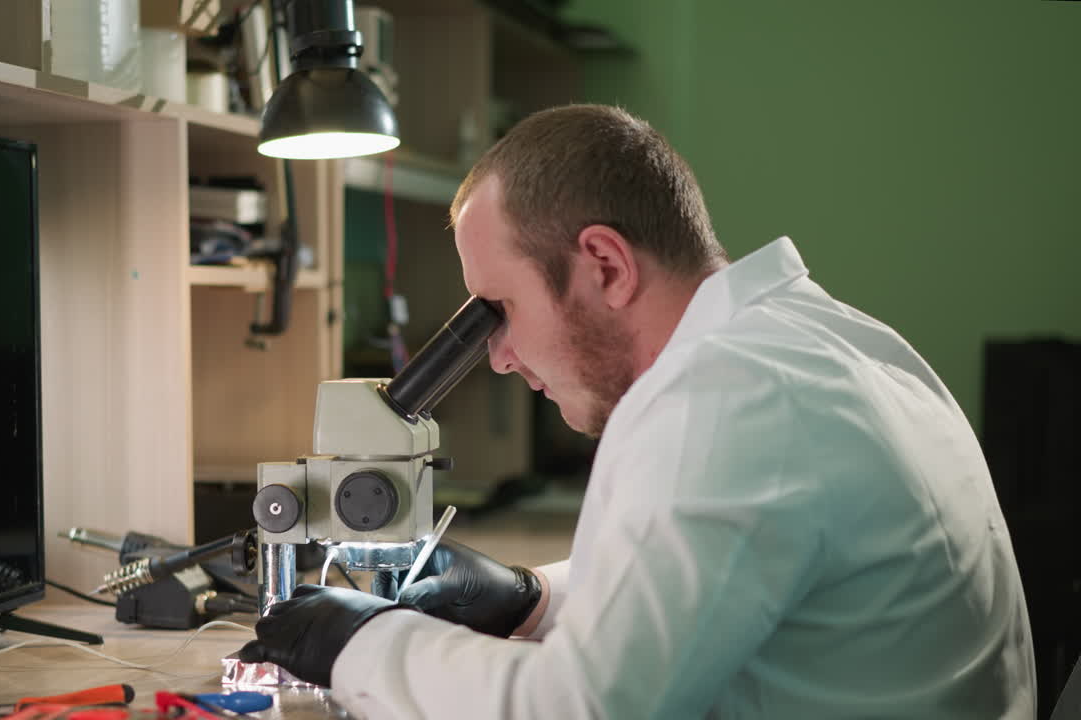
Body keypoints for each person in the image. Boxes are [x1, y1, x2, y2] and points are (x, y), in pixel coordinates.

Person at [240, 104, 1036, 718]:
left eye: (500, 309)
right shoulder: (829, 342)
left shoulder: (719, 403)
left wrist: (364, 642)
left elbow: (582, 708)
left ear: (605, 265)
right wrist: (532, 596)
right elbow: (726, 576)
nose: (500, 356)